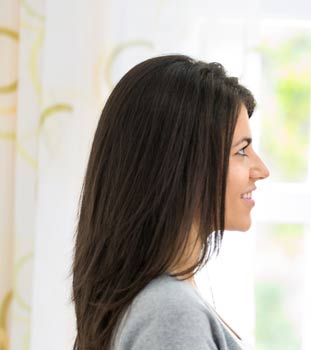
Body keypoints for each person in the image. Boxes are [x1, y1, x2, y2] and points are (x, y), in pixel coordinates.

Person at [71, 55, 270, 350]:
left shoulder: (156, 302)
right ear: (180, 166)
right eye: (241, 151)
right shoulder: (171, 312)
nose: (262, 171)